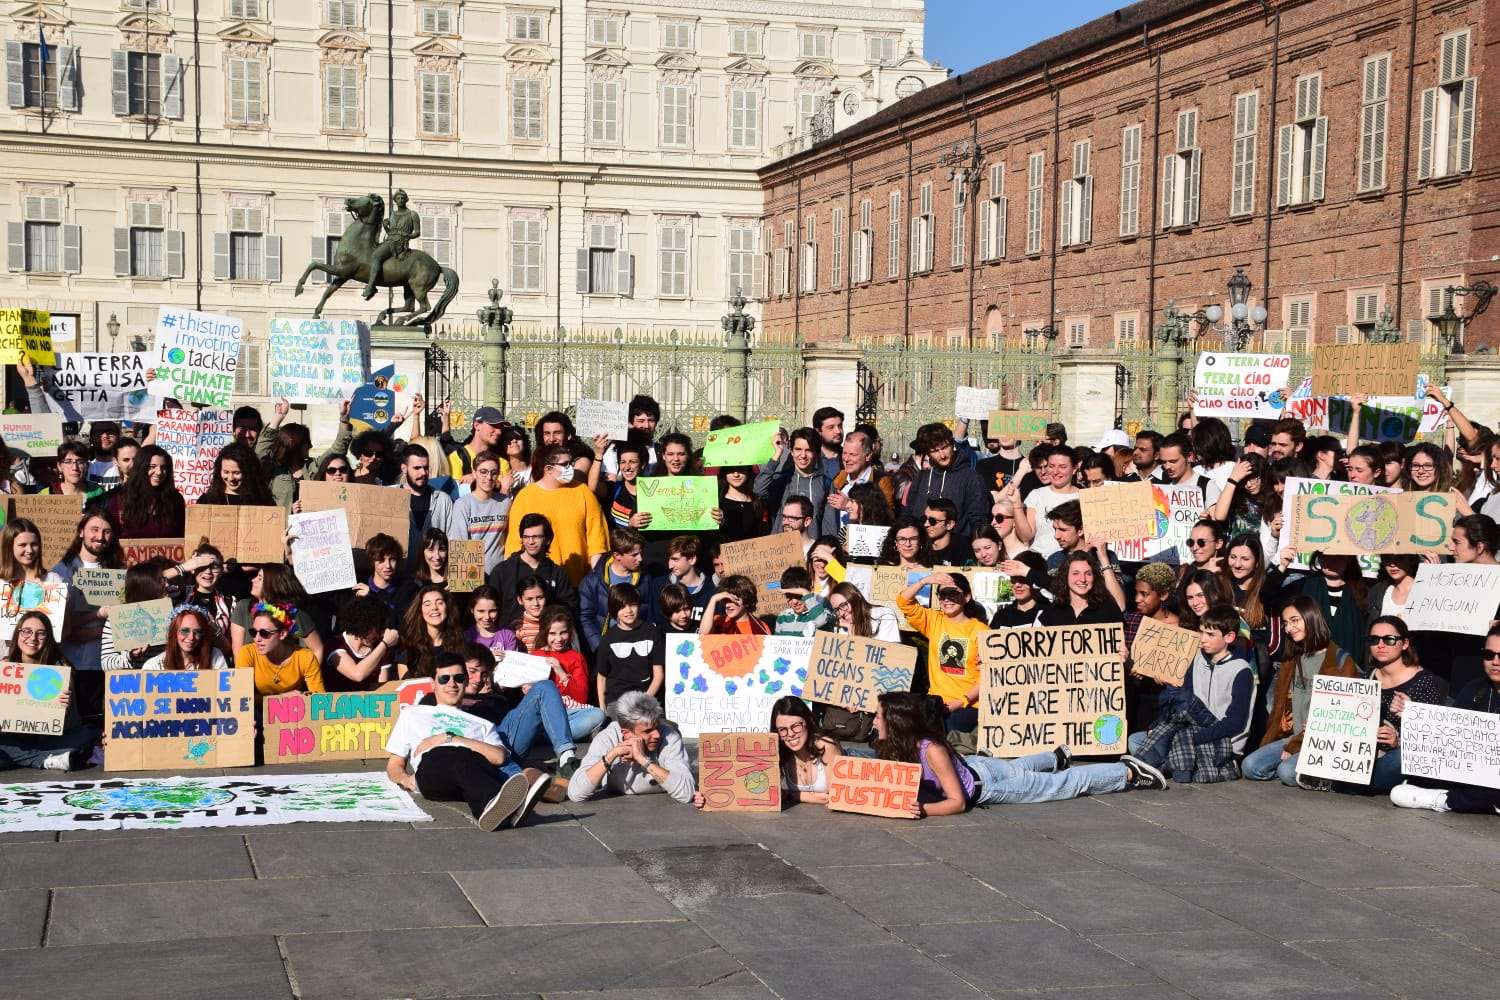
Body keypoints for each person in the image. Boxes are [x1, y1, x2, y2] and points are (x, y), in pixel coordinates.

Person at [873, 692, 1167, 817]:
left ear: (896, 723)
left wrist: (922, 810)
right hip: (978, 767)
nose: (873, 721)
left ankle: (1126, 771)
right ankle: (1053, 758)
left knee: (1060, 785)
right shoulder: (892, 745)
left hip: (987, 786)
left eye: (878, 716)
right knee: (1017, 768)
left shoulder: (931, 751)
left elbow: (957, 802)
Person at [384, 655, 547, 831]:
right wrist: (405, 779)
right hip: (432, 771)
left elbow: (499, 757)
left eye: (459, 678)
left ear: (466, 681)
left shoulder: (483, 724)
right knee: (453, 754)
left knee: (468, 756)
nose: (452, 684)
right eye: (444, 678)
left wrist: (452, 738)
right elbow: (395, 763)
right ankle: (495, 807)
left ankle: (499, 810)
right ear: (433, 683)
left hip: (470, 777)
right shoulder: (413, 713)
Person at [1131, 604, 1254, 783]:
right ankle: (1176, 762)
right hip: (1190, 729)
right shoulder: (1197, 660)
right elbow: (1184, 706)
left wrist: (1194, 738)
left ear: (1229, 637)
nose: (1203, 639)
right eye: (1202, 632)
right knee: (1137, 739)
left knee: (1165, 743)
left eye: (1210, 635)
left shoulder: (1241, 671)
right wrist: (1156, 727)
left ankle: (1167, 765)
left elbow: (1235, 723)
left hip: (1223, 740)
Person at [1243, 597, 1358, 786]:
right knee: (1250, 766)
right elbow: (1280, 709)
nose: (1289, 628)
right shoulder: (1291, 658)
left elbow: (1340, 719)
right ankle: (1306, 773)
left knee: (1287, 772)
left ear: (1310, 618)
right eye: (1286, 623)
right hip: (1291, 736)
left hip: (1320, 743)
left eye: (1294, 620)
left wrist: (1297, 745)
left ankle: (1323, 777)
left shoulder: (1340, 661)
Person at [1391, 625, 1500, 815]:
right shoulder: (1476, 689)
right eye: (1489, 655)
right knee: (1407, 780)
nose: (1495, 662)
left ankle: (1446, 800)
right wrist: (1415, 716)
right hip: (1471, 771)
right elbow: (1449, 734)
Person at [1355, 616, 1445, 795]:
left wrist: (1399, 738)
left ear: (1404, 644)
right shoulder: (1367, 677)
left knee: (1401, 758)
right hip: (1365, 754)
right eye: (1374, 639)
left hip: (1397, 756)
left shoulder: (1424, 682)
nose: (1381, 645)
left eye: (1389, 639)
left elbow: (1433, 740)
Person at [0, 612, 94, 772]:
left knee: (86, 736)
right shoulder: (6, 668)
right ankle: (46, 760)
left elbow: (65, 725)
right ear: (18, 634)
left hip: (51, 740)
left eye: (41, 633)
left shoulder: (61, 670)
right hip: (15, 738)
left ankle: (26, 759)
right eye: (26, 631)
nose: (32, 638)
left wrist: (65, 708)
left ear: (48, 638)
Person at [503, 444, 608, 586]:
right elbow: (514, 544)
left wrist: (596, 580)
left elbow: (597, 541)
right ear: (548, 469)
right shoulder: (525, 497)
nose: (570, 468)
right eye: (564, 464)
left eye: (570, 463)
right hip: (536, 586)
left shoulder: (583, 492)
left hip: (577, 582)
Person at [566, 691, 695, 804]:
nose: (656, 735)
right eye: (647, 731)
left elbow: (686, 793)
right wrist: (612, 754)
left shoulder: (669, 736)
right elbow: (576, 794)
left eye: (657, 727)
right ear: (626, 734)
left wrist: (643, 760)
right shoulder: (607, 738)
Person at [897, 571, 987, 732]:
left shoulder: (980, 630)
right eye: (942, 594)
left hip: (970, 704)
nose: (947, 599)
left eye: (952, 593)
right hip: (936, 700)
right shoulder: (934, 620)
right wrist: (924, 580)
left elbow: (987, 676)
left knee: (943, 731)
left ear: (967, 597)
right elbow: (903, 601)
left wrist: (961, 701)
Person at [257, 399, 353, 510]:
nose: (310, 446)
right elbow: (259, 452)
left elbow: (338, 450)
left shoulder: (312, 466)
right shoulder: (273, 469)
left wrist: (344, 420)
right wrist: (278, 417)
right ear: (294, 445)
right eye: (307, 442)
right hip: (280, 525)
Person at [531, 606, 607, 740]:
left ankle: (548, 737)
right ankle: (558, 736)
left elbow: (581, 697)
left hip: (570, 712)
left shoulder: (576, 657)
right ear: (544, 633)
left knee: (598, 714)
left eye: (563, 633)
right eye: (552, 633)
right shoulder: (536, 655)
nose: (559, 639)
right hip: (544, 713)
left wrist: (561, 673)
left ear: (570, 633)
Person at [902, 423, 989, 536]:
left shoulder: (972, 478)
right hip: (923, 547)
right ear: (928, 453)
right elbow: (909, 512)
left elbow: (978, 520)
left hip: (957, 548)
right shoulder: (922, 477)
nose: (942, 455)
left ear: (952, 444)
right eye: (935, 451)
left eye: (944, 447)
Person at [488, 512, 577, 617]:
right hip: (510, 632)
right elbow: (490, 607)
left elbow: (569, 608)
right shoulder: (502, 571)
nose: (530, 542)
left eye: (536, 537)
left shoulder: (558, 574)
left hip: (546, 631)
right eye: (526, 537)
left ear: (548, 539)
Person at [578, 527, 646, 656]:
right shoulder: (592, 581)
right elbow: (585, 617)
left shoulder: (645, 580)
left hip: (636, 649)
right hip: (605, 649)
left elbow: (649, 614)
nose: (641, 558)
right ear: (617, 555)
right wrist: (599, 646)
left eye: (640, 553)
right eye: (634, 555)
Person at [235, 600, 325, 697]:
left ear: (282, 634)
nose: (257, 639)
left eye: (264, 633)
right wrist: (280, 698)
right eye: (253, 632)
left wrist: (307, 697)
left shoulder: (305, 657)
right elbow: (242, 699)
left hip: (294, 709)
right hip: (258, 711)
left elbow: (319, 699)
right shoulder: (247, 653)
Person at [594, 583, 664, 706]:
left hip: (647, 699)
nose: (629, 610)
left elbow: (658, 675)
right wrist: (602, 708)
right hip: (617, 701)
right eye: (622, 607)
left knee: (657, 724)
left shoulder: (653, 632)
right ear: (614, 609)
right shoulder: (608, 639)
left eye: (632, 605)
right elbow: (601, 677)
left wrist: (644, 702)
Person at [99, 444, 185, 539]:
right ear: (141, 467)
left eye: (163, 467)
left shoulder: (176, 500)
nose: (159, 472)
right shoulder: (119, 500)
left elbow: (182, 535)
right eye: (152, 466)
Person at [756, 427, 829, 533]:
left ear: (817, 453)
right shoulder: (782, 480)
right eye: (798, 449)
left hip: (811, 547)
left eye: (808, 450)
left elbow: (829, 525)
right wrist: (777, 454)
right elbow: (758, 491)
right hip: (782, 546)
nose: (803, 455)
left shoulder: (825, 483)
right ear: (791, 451)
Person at [448, 450, 511, 574]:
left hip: (500, 574)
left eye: (494, 473)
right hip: (473, 575)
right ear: (474, 473)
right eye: (483, 472)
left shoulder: (505, 502)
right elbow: (460, 546)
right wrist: (468, 583)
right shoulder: (463, 504)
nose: (489, 477)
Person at [1011, 445, 1079, 557]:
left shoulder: (1084, 497)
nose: (1056, 471)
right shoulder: (1036, 495)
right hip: (1040, 561)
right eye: (1051, 466)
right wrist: (1016, 504)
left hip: (1073, 562)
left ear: (1074, 469)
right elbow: (1025, 536)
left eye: (1062, 467)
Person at [323, 595, 402, 689]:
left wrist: (383, 646)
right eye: (378, 629)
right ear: (364, 625)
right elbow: (357, 674)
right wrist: (384, 644)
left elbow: (382, 688)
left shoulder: (380, 647)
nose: (381, 634)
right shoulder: (335, 644)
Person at [397, 443, 456, 570]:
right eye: (417, 468)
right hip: (401, 578)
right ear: (404, 468)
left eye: (426, 467)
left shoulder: (443, 500)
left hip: (435, 577)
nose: (423, 473)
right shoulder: (391, 498)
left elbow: (453, 539)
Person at [643, 535, 716, 628]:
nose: (670, 566)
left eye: (675, 560)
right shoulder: (659, 585)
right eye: (669, 559)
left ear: (692, 559)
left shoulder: (711, 589)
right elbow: (653, 623)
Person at [398, 583, 466, 678]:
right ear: (420, 611)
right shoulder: (409, 652)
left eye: (440, 603)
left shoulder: (462, 644)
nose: (434, 608)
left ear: (447, 607)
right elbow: (405, 688)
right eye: (427, 604)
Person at [1040, 550, 1125, 626]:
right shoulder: (1051, 612)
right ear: (1065, 576)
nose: (1083, 579)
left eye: (1088, 574)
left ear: (1094, 577)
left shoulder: (1109, 610)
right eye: (1076, 573)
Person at [142, 606, 229, 670]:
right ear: (174, 632)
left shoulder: (214, 656)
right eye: (185, 631)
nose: (191, 637)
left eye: (197, 632)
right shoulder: (153, 666)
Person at [197, 442, 276, 506]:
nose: (231, 478)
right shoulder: (206, 501)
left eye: (236, 473)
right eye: (226, 472)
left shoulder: (264, 502)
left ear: (249, 472)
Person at [700, 575, 771, 635]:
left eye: (733, 600)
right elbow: (703, 634)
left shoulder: (761, 626)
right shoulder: (718, 620)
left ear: (746, 601)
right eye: (725, 600)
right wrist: (713, 599)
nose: (727, 605)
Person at [772, 566, 830, 637]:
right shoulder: (783, 617)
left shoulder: (820, 613)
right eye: (789, 596)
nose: (794, 602)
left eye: (799, 596)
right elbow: (776, 642)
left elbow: (821, 621)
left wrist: (804, 592)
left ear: (810, 591)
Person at [464, 586, 520, 655]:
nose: (487, 617)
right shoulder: (465, 637)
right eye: (481, 611)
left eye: (492, 611)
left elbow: (511, 663)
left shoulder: (508, 636)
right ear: (472, 610)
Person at [922, 498, 972, 565]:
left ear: (949, 524)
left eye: (932, 521)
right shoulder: (919, 544)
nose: (926, 524)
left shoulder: (964, 547)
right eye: (924, 519)